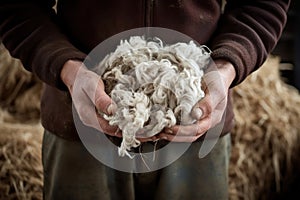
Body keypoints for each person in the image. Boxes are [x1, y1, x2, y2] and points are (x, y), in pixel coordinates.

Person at [0, 0, 290, 199]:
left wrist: (226, 69)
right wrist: (67, 68)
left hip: (196, 118)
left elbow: (262, 5)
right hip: (81, 118)